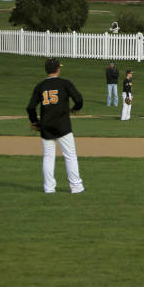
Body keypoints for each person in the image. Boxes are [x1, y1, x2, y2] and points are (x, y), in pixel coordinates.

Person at [26, 57, 85, 194]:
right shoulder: (64, 83)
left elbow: (30, 107)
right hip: (63, 125)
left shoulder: (40, 86)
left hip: (46, 126)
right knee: (70, 156)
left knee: (48, 156)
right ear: (58, 69)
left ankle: (49, 187)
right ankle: (76, 187)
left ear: (47, 70)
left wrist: (34, 121)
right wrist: (76, 108)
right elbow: (79, 99)